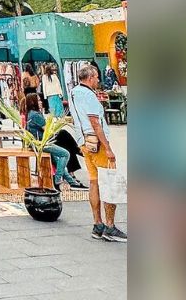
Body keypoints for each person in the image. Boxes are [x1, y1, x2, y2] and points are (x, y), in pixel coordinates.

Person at [70, 64, 126, 242]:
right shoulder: (88, 95)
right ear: (90, 78)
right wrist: (108, 147)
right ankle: (110, 226)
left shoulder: (73, 92)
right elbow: (95, 122)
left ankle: (97, 223)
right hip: (97, 141)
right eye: (96, 77)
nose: (98, 80)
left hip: (84, 141)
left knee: (94, 181)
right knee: (108, 180)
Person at [21, 92, 83, 190]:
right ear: (33, 102)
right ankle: (58, 179)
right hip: (41, 143)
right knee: (65, 153)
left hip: (38, 142)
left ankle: (72, 181)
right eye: (38, 100)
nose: (41, 102)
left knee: (57, 158)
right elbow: (48, 131)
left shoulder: (31, 113)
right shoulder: (36, 115)